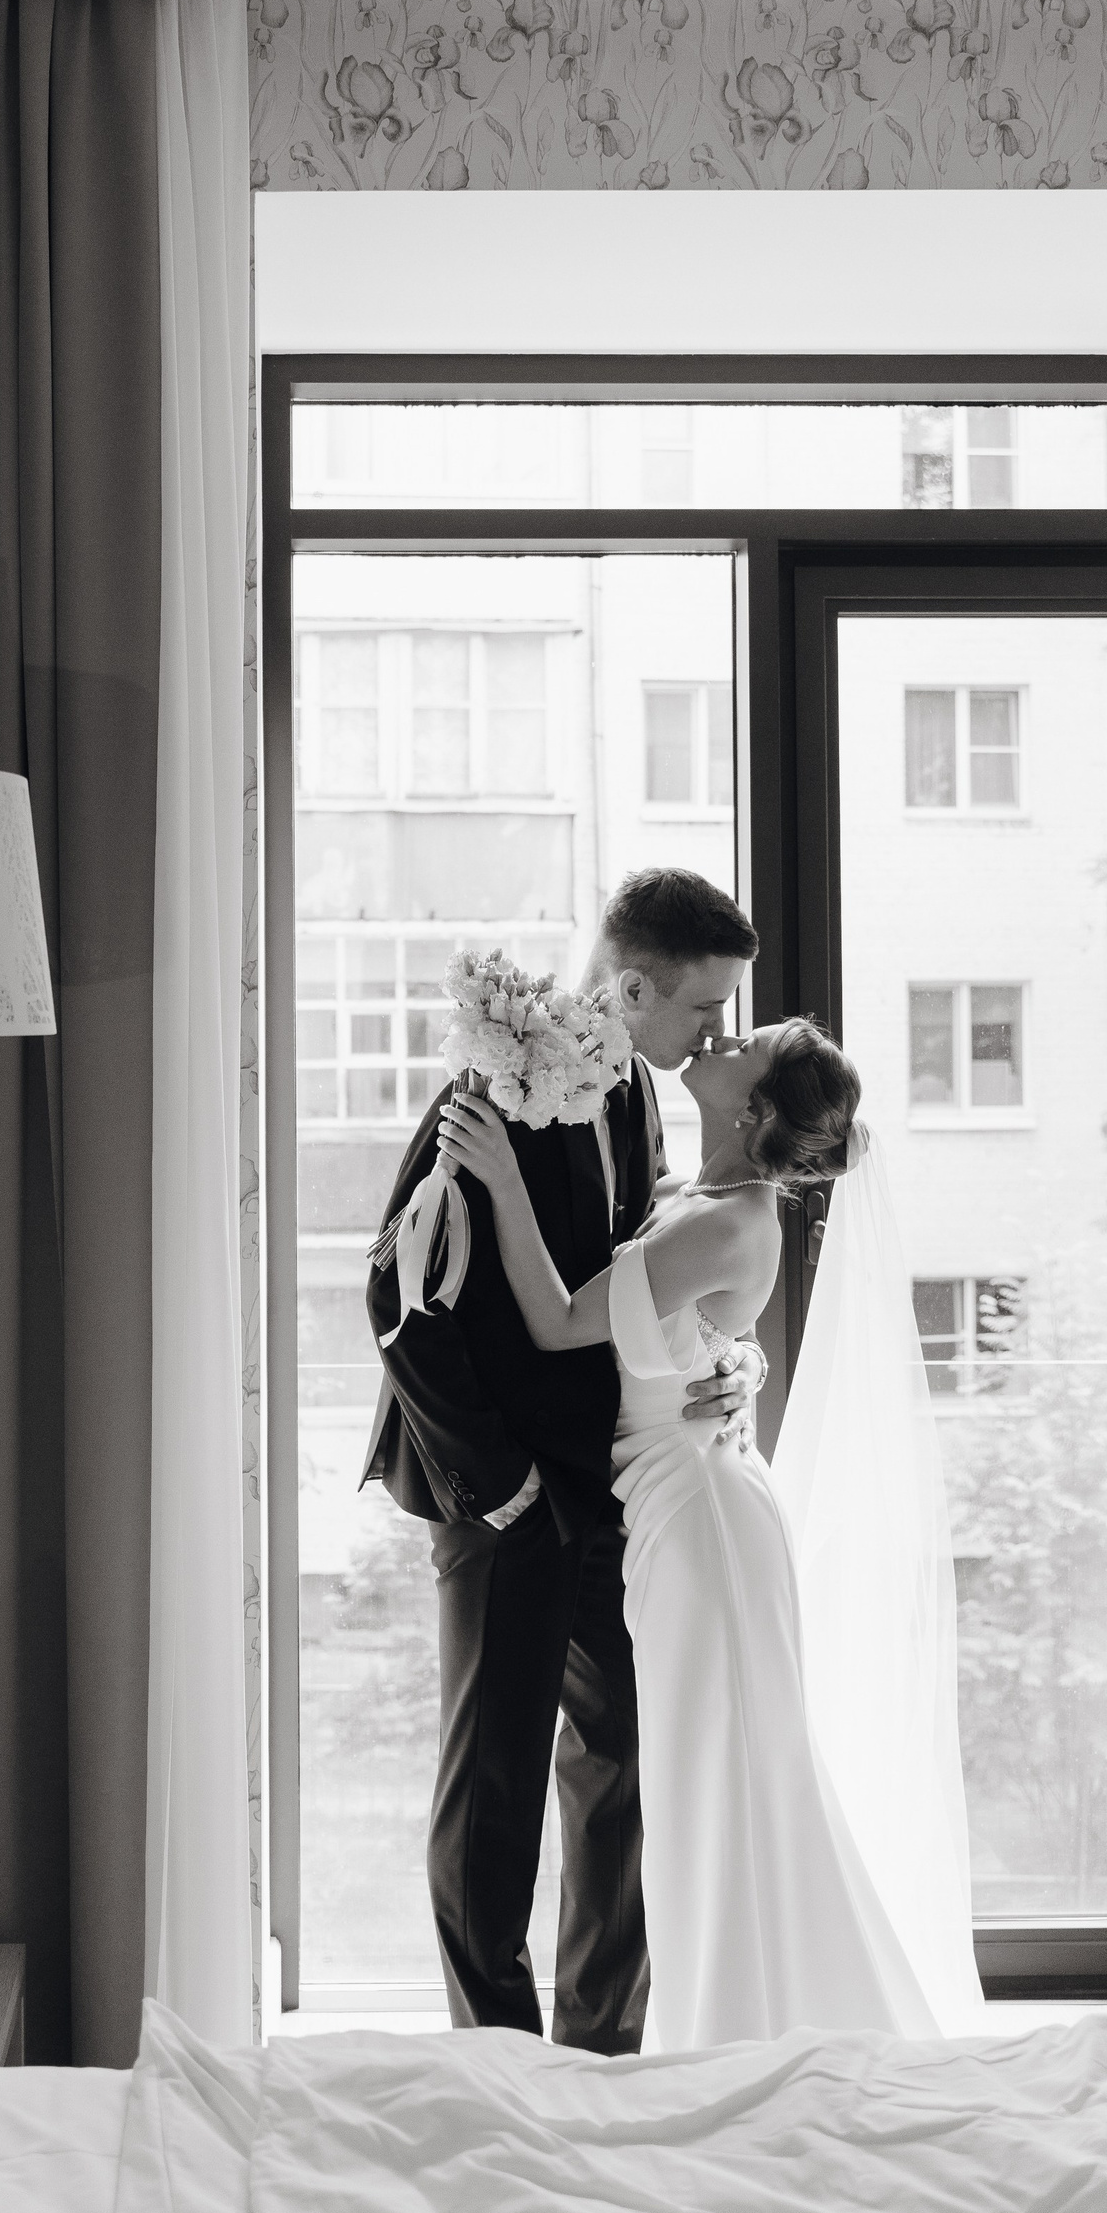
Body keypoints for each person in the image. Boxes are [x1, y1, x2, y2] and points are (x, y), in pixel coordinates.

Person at [438, 1015, 983, 2049]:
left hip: (703, 1525)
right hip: (679, 1503)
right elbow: (702, 1325)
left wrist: (503, 1180)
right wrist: (738, 1359)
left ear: (753, 1108)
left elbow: (559, 1321)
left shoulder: (728, 1221)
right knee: (709, 1786)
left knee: (717, 1788)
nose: (721, 1039)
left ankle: (736, 2035)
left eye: (745, 1046)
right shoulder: (697, 1195)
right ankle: (728, 2025)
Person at [363, 869, 761, 2051]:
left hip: (611, 1487)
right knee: (494, 1795)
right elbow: (397, 1297)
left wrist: (721, 1361)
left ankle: (600, 2055)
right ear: (633, 989)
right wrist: (501, 1489)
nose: (717, 1034)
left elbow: (636, 1271)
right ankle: (498, 2064)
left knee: (622, 1768)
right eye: (704, 1007)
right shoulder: (491, 1082)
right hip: (502, 1499)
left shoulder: (634, 1088)